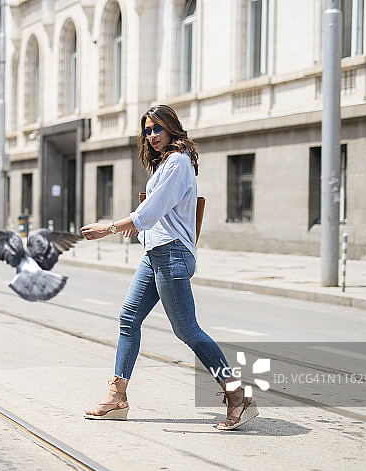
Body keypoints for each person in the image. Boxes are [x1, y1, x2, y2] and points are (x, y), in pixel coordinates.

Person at [80, 105, 258, 430]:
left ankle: (237, 396)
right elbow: (154, 210)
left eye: (158, 129)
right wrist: (139, 225)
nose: (152, 136)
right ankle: (117, 395)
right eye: (147, 131)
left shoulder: (177, 162)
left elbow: (152, 211)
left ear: (172, 128)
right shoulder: (165, 164)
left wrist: (110, 228)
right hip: (156, 253)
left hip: (171, 254)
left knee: (187, 329)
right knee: (128, 317)